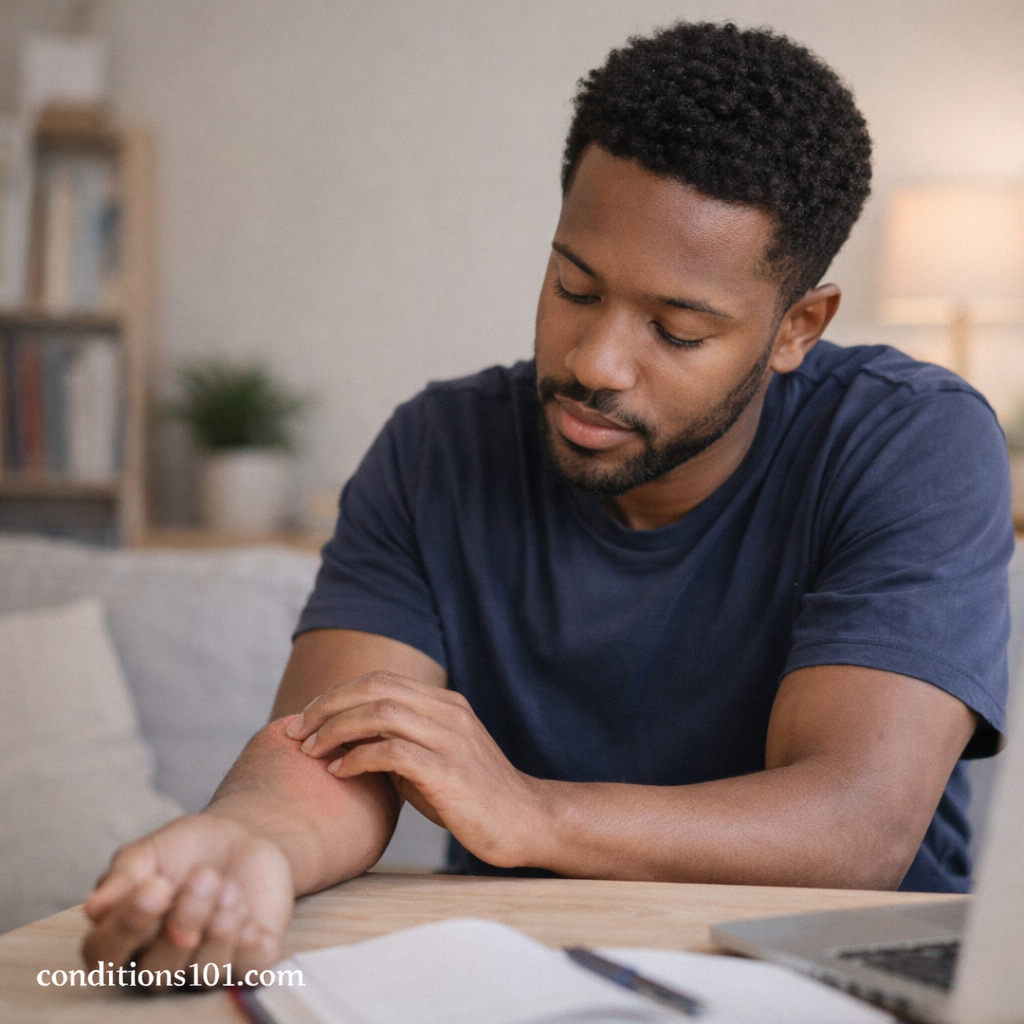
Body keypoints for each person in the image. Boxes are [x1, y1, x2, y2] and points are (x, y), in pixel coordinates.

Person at [82, 21, 1012, 981]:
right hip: (525, 970)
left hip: (831, 979)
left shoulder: (912, 442)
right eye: (575, 286)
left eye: (678, 330)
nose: (594, 363)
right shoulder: (437, 448)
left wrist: (531, 809)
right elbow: (330, 753)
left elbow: (853, 828)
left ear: (797, 328)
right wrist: (247, 849)